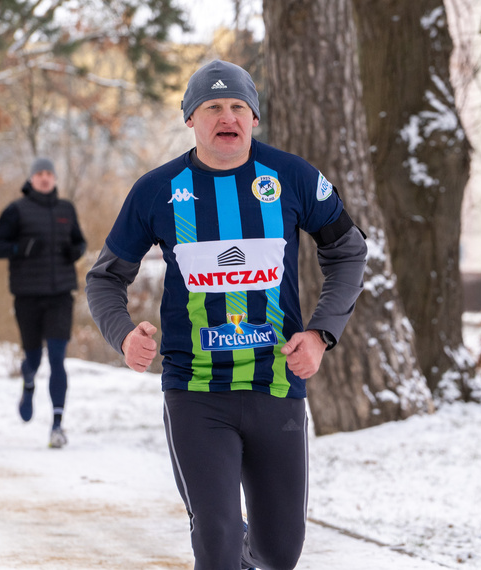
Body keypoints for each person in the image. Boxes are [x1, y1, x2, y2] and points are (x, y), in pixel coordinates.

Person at [86, 60, 368, 570]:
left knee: (279, 552)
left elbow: (348, 251)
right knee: (215, 541)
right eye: (212, 106)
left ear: (254, 118)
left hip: (276, 385)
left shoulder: (293, 177)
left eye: (238, 106)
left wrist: (322, 333)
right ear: (190, 119)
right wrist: (124, 335)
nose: (227, 115)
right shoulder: (157, 190)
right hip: (195, 390)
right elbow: (105, 277)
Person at [0, 158, 87, 449]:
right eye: (39, 174)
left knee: (57, 358)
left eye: (49, 174)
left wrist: (75, 251)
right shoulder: (17, 210)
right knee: (34, 359)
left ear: (54, 179)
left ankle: (57, 425)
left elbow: (80, 242)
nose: (44, 178)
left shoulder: (66, 209)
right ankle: (28, 382)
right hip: (27, 296)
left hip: (60, 295)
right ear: (31, 179)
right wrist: (20, 248)